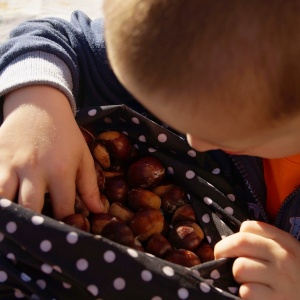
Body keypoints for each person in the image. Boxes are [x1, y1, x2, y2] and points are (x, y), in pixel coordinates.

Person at [0, 0, 299, 299]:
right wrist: (35, 107)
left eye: (233, 135)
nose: (195, 142)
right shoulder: (175, 47)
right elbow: (59, 39)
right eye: (177, 119)